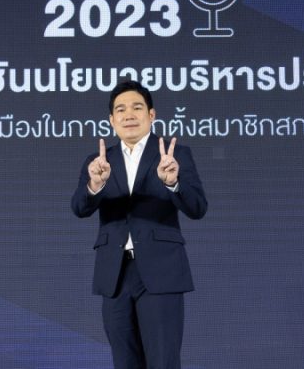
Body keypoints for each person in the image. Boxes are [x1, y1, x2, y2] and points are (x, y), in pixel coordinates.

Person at [71, 80, 208, 369]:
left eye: (136, 107)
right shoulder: (98, 161)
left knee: (163, 361)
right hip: (115, 275)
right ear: (112, 120)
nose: (129, 115)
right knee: (124, 362)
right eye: (120, 110)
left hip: (161, 272)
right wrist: (95, 185)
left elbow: (197, 208)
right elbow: (79, 208)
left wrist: (173, 183)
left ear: (151, 114)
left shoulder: (175, 155)